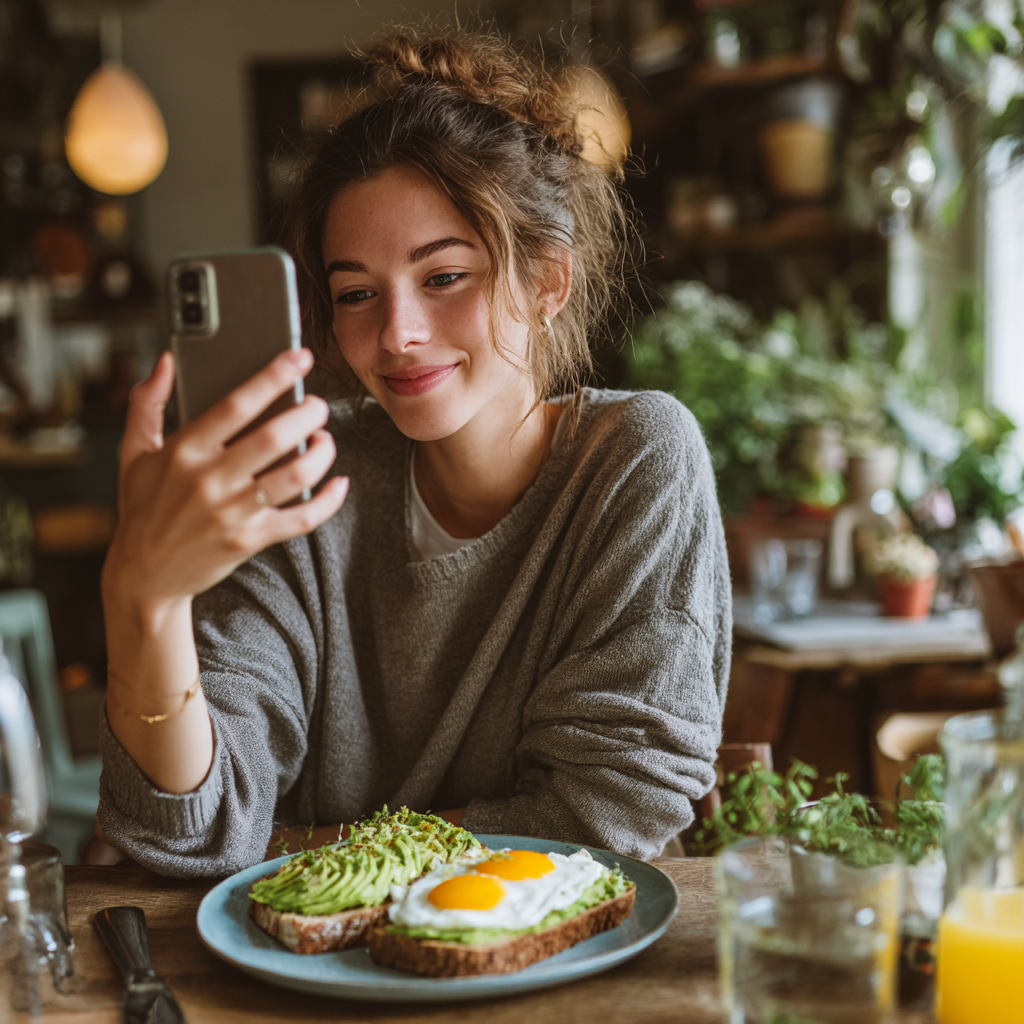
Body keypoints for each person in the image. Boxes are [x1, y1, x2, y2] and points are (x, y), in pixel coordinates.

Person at [96, 30, 731, 876]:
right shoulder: (305, 481)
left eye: (444, 278)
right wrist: (145, 600)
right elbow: (189, 831)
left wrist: (300, 852)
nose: (396, 335)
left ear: (548, 282)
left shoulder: (636, 460)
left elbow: (605, 816)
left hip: (568, 970)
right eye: (356, 292)